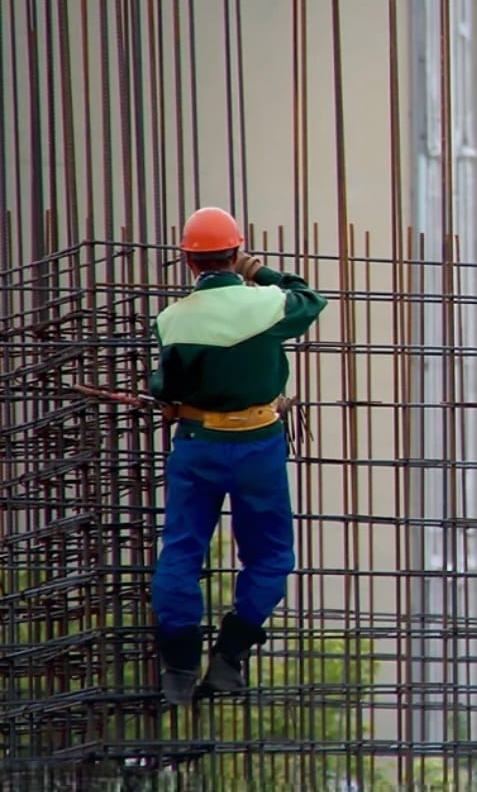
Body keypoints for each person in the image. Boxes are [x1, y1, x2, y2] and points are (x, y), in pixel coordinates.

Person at [148, 206, 328, 705]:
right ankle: (229, 656)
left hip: (197, 445)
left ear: (189, 261)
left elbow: (166, 386)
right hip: (257, 445)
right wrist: (259, 271)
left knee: (181, 553)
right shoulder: (267, 304)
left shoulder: (171, 320)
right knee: (271, 556)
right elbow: (310, 298)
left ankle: (179, 668)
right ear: (236, 252)